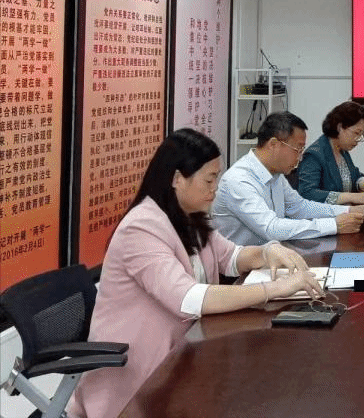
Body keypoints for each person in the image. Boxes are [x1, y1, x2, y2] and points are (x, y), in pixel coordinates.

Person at [69, 129, 322, 418]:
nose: (215, 188)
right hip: (138, 370)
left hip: (185, 352)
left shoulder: (190, 216)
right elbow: (188, 298)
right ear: (178, 179)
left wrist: (267, 252)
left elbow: (230, 257)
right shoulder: (141, 228)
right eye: (209, 180)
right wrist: (275, 289)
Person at [211, 111, 364, 245]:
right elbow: (271, 228)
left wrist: (347, 210)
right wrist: (333, 225)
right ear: (273, 144)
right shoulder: (239, 180)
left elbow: (300, 207)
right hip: (243, 267)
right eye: (298, 149)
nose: (300, 157)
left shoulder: (275, 174)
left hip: (271, 256)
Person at [297, 101, 364, 204]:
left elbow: (354, 175)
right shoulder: (314, 155)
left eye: (361, 135)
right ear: (340, 127)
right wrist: (350, 197)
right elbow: (307, 193)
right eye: (356, 133)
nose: (358, 139)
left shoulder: (342, 150)